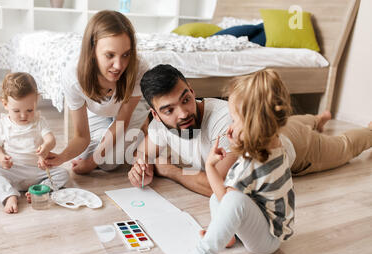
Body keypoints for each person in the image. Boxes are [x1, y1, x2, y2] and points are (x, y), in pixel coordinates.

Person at [128, 64, 372, 195]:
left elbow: (219, 186)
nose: (183, 113)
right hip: (265, 126)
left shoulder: (225, 122)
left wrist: (171, 171)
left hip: (291, 149)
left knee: (344, 148)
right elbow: (143, 150)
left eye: (185, 99)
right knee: (285, 119)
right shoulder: (161, 126)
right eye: (169, 110)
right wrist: (142, 166)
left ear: (192, 91)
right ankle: (316, 119)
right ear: (156, 115)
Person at [172, 69, 295, 254]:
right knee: (228, 198)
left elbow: (226, 198)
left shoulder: (251, 163)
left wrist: (210, 166)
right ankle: (228, 235)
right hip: (266, 224)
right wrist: (240, 141)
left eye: (235, 120)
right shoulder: (276, 144)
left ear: (253, 124)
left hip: (266, 242)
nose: (231, 126)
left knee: (231, 199)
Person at [43, 10, 150, 173]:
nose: (119, 65)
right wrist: (62, 157)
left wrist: (91, 164)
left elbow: (122, 120)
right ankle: (127, 138)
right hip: (100, 111)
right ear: (92, 50)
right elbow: (81, 137)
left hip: (130, 109)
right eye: (110, 55)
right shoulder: (73, 76)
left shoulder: (139, 68)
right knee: (89, 153)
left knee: (108, 163)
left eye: (126, 54)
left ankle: (145, 127)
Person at [0, 72, 69, 214]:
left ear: (36, 102)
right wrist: (1, 158)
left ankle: (41, 189)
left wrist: (46, 146)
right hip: (13, 171)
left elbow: (50, 139)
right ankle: (10, 195)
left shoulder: (39, 121)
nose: (24, 115)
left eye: (29, 110)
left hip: (37, 172)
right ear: (5, 104)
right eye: (17, 110)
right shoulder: (2, 125)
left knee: (63, 174)